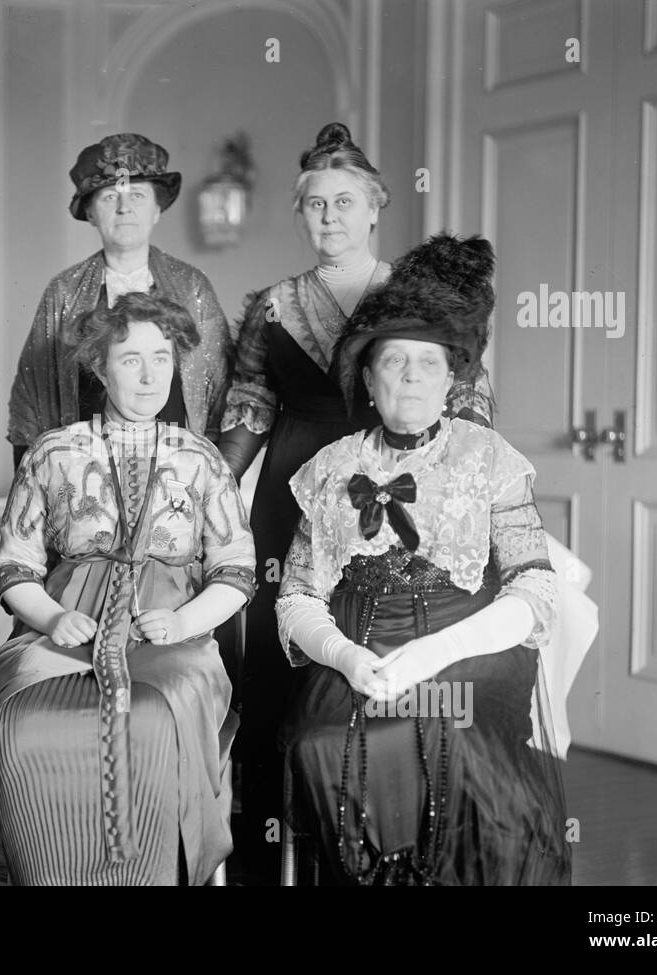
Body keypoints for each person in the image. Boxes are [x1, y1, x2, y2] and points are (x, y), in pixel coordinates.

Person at [275, 233, 570, 884]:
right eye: (394, 362)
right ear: (368, 377)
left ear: (451, 379)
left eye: (427, 363)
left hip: (470, 653)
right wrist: (349, 656)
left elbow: (536, 591)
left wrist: (437, 653)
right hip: (358, 655)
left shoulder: (488, 457)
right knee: (322, 742)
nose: (409, 377)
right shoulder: (330, 468)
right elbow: (295, 597)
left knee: (454, 737)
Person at [0, 293, 256, 885]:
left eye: (162, 357)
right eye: (131, 359)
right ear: (100, 368)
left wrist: (184, 624)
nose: (149, 373)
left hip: (172, 628)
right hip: (62, 625)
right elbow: (13, 566)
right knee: (28, 723)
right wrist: (53, 619)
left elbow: (236, 568)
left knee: (156, 717)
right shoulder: (53, 452)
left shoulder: (201, 458)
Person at [216, 122, 393, 876]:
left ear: (376, 208)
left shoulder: (412, 294)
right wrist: (213, 484)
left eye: (344, 202)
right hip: (288, 489)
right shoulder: (275, 304)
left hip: (385, 483)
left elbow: (462, 397)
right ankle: (265, 845)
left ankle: (363, 843)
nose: (329, 217)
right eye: (315, 204)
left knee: (371, 646)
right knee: (280, 656)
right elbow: (249, 401)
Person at [7, 133, 231, 467]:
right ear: (91, 213)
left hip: (173, 466)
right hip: (86, 467)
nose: (125, 208)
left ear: (157, 209)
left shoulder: (192, 286)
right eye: (110, 197)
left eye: (137, 195)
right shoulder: (64, 291)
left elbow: (218, 387)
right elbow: (32, 396)